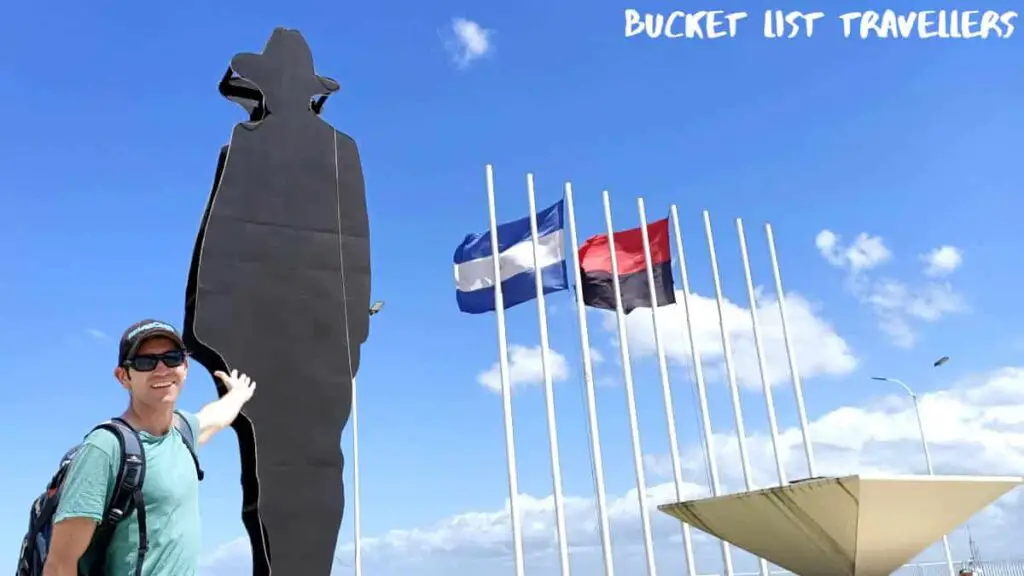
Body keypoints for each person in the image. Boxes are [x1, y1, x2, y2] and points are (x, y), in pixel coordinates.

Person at [41, 319, 256, 576]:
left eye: (172, 358)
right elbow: (59, 565)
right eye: (146, 362)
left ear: (185, 367)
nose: (162, 369)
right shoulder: (105, 448)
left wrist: (238, 394)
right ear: (123, 377)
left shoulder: (183, 432)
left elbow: (216, 417)